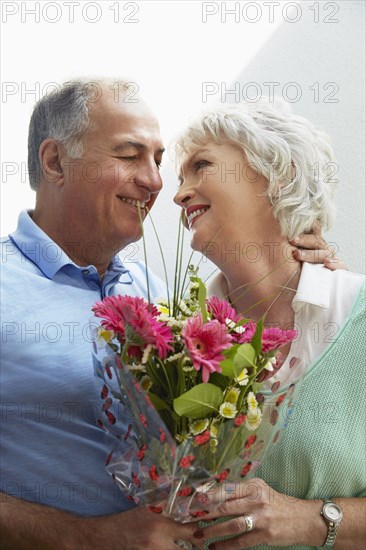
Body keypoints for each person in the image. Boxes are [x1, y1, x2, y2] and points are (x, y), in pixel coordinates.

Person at [0, 79, 343, 550]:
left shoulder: (168, 300)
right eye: (129, 155)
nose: (157, 182)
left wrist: (311, 273)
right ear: (56, 161)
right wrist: (88, 538)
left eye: (159, 161)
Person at [173, 100, 365, 550]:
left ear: (279, 173)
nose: (180, 194)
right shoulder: (179, 342)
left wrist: (314, 521)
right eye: (180, 179)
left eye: (201, 166)